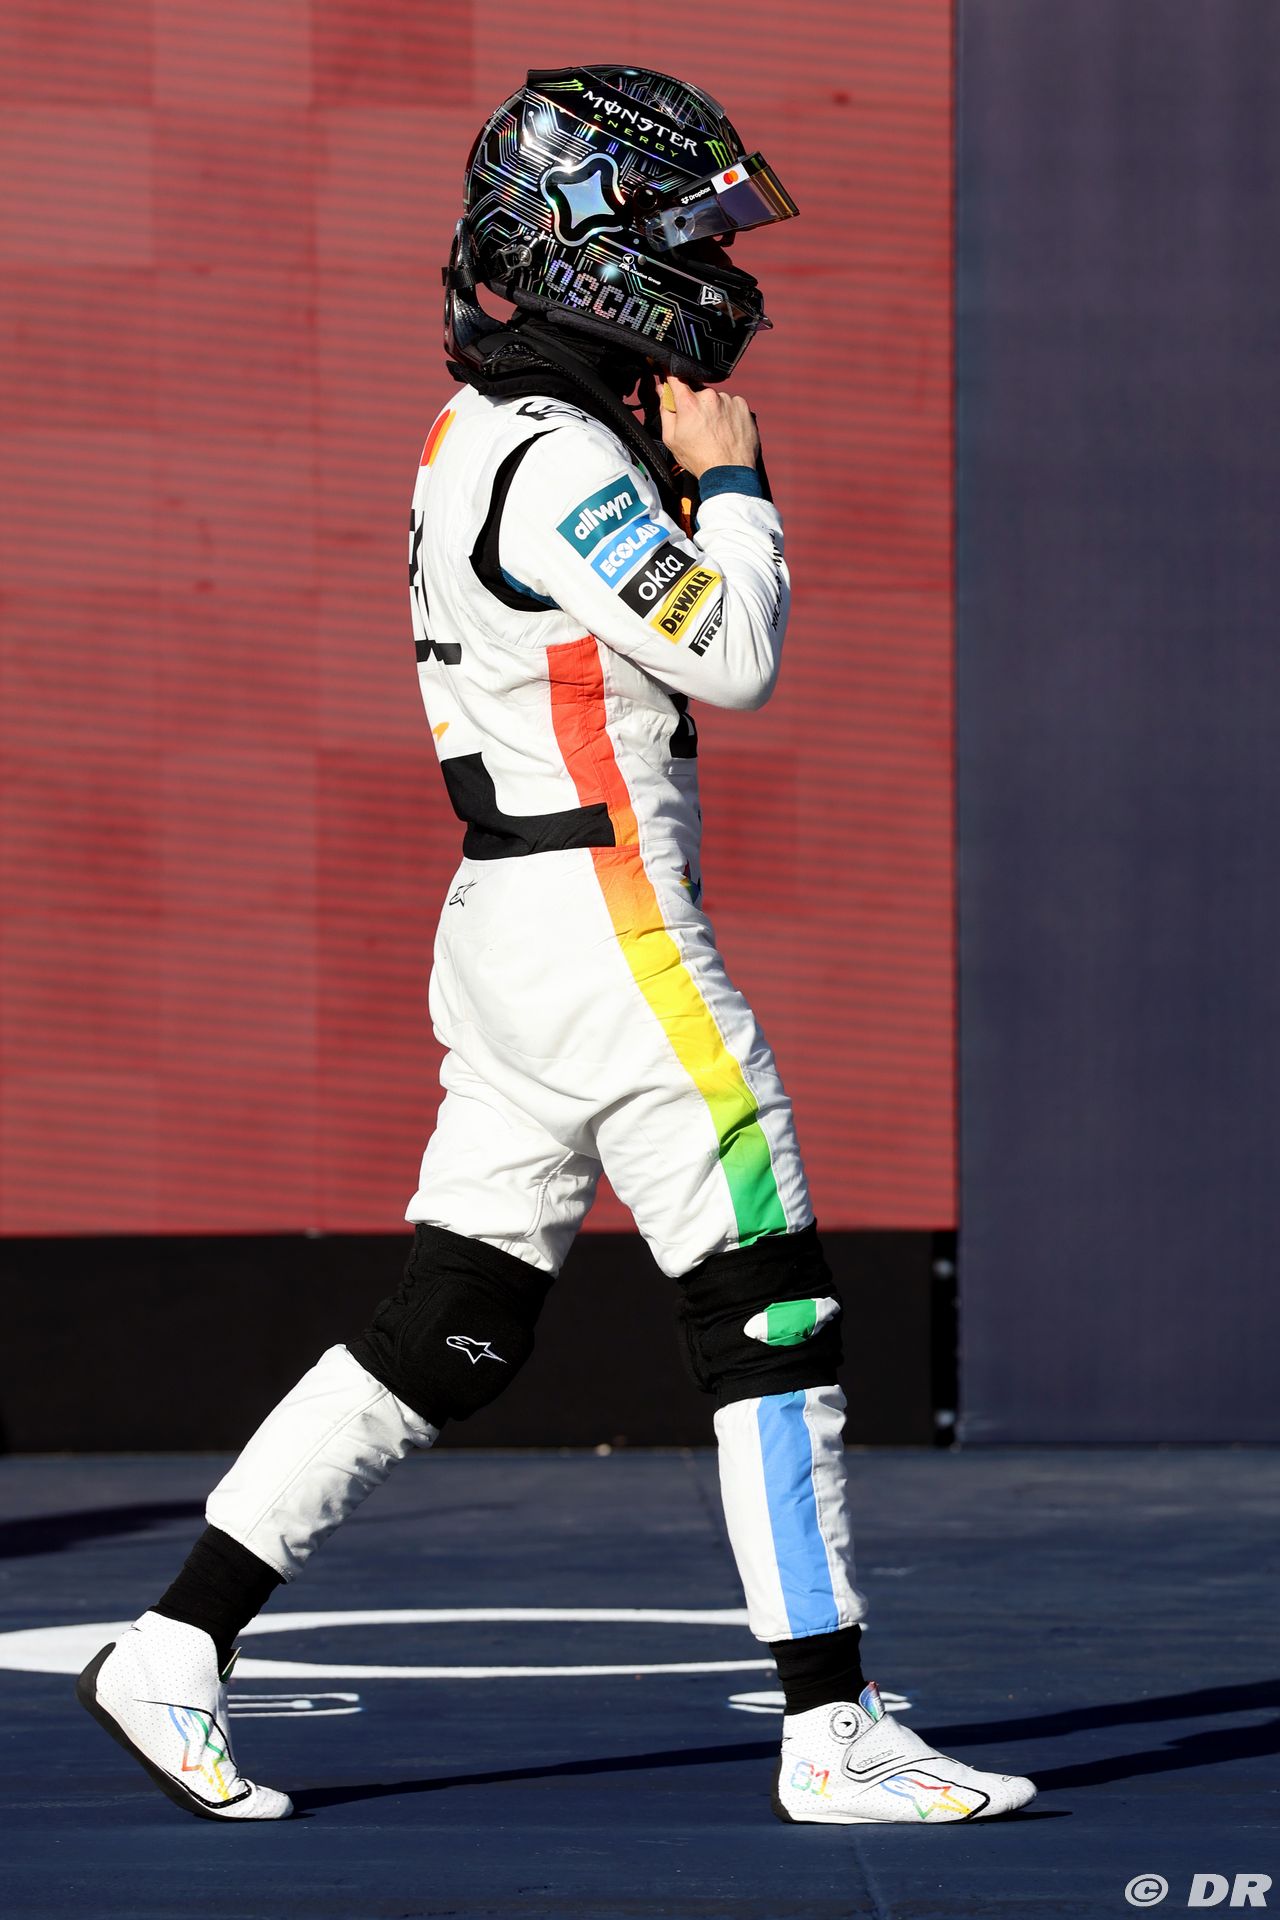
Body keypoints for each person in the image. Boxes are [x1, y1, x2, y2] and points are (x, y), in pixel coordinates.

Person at [76, 64, 1035, 1828]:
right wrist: (735, 484)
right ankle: (831, 1728)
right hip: (609, 923)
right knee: (772, 1310)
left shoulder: (481, 433)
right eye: (690, 232)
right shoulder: (563, 457)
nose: (721, 268)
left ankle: (176, 1639)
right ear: (592, 249)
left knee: (453, 1322)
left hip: (516, 924)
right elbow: (734, 654)